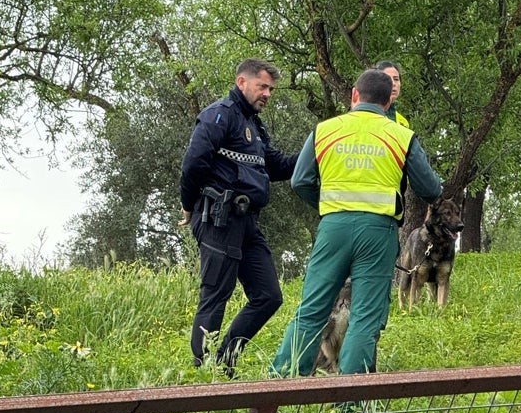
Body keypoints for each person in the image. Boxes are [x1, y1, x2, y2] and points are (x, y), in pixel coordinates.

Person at [271, 68, 443, 377]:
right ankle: (350, 399)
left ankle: (277, 387)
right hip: (378, 233)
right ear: (387, 103)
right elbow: (431, 189)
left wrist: (326, 207)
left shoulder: (324, 130)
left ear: (354, 95)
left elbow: (300, 180)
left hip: (333, 229)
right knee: (366, 315)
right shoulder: (401, 136)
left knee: (311, 310)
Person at [180, 58, 298, 372]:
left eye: (271, 89)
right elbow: (193, 164)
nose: (268, 94)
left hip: (247, 223)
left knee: (269, 295)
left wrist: (319, 149)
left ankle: (224, 361)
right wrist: (188, 206)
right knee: (215, 296)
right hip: (218, 219)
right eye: (262, 86)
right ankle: (202, 376)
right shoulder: (219, 115)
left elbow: (278, 166)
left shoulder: (254, 125)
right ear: (241, 82)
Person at [373, 60, 409, 127]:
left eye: (396, 79)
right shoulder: (368, 114)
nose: (393, 83)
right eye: (387, 78)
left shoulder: (402, 122)